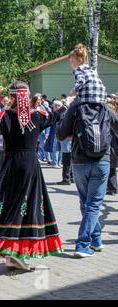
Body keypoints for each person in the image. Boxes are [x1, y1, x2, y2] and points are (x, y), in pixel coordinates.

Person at [0, 81, 64, 271]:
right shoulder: (37, 115)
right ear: (26, 96)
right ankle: (14, 253)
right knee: (26, 207)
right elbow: (57, 115)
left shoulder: (4, 116)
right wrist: (68, 102)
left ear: (12, 97)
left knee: (10, 204)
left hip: (10, 165)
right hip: (29, 165)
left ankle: (11, 252)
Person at [56, 43, 118, 258]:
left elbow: (60, 135)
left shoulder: (75, 106)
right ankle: (90, 242)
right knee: (93, 204)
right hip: (102, 159)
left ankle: (89, 242)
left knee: (86, 203)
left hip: (79, 160)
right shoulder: (105, 106)